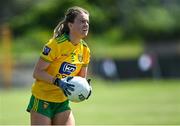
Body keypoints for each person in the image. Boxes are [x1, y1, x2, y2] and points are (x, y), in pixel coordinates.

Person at [26, 6, 90, 125]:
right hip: (42, 99)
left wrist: (86, 88)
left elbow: (81, 79)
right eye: (82, 21)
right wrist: (58, 82)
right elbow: (37, 73)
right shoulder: (55, 45)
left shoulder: (85, 50)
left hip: (62, 102)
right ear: (70, 25)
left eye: (87, 22)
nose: (86, 24)